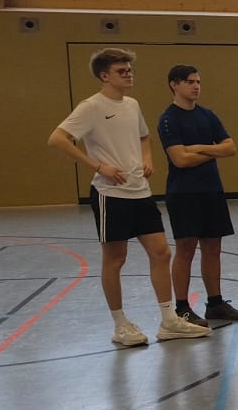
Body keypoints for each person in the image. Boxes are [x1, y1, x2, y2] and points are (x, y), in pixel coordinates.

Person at [47, 48, 210, 346]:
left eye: (130, 70)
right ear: (104, 76)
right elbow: (57, 139)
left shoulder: (132, 105)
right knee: (115, 258)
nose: (128, 75)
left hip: (140, 192)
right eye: (121, 71)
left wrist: (147, 158)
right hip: (110, 194)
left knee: (161, 253)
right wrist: (98, 166)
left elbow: (144, 136)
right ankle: (120, 325)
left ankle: (169, 320)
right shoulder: (91, 107)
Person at [157, 64, 238, 326]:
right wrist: (212, 150)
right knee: (185, 250)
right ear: (174, 84)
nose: (196, 86)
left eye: (198, 81)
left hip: (212, 190)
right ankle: (182, 307)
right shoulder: (169, 119)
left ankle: (215, 303)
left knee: (213, 248)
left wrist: (197, 148)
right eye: (189, 82)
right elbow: (180, 160)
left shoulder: (208, 115)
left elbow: (230, 148)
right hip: (184, 193)